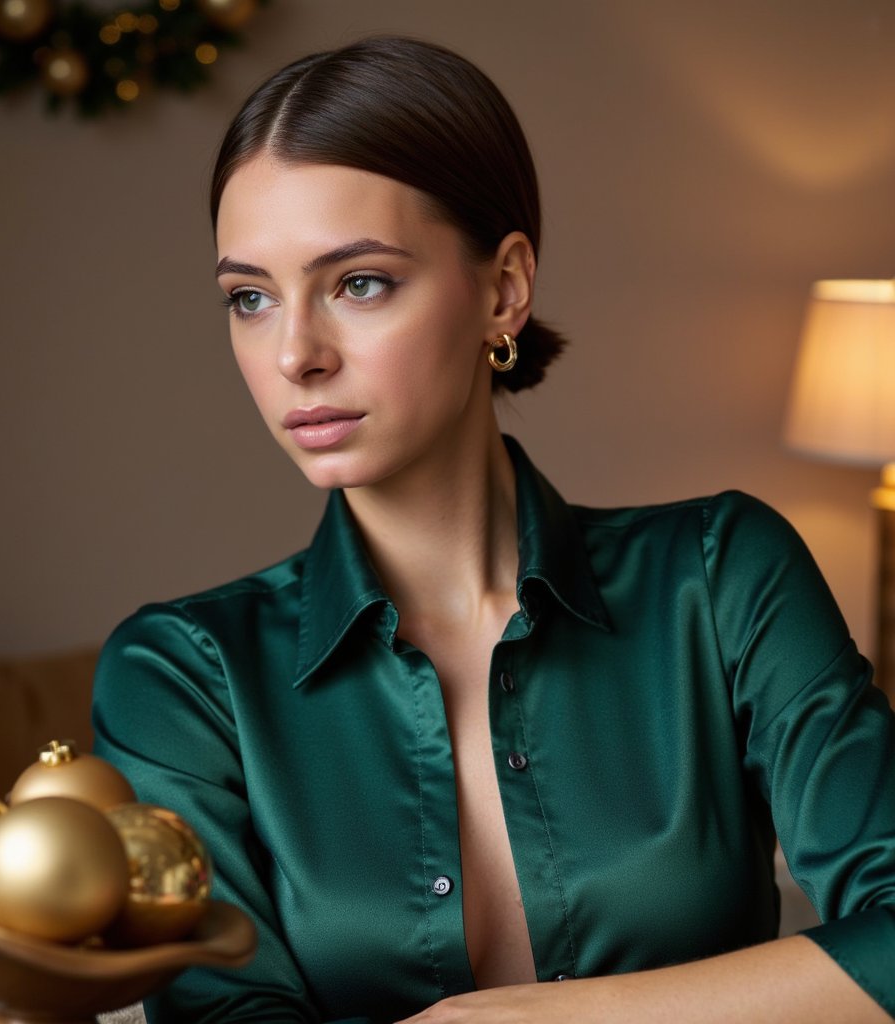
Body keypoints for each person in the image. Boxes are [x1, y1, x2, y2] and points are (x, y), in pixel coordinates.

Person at [91, 35, 895, 1024]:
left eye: (358, 282)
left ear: (504, 288)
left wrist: (533, 1019)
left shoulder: (723, 575)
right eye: (250, 298)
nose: (295, 353)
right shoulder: (181, 675)